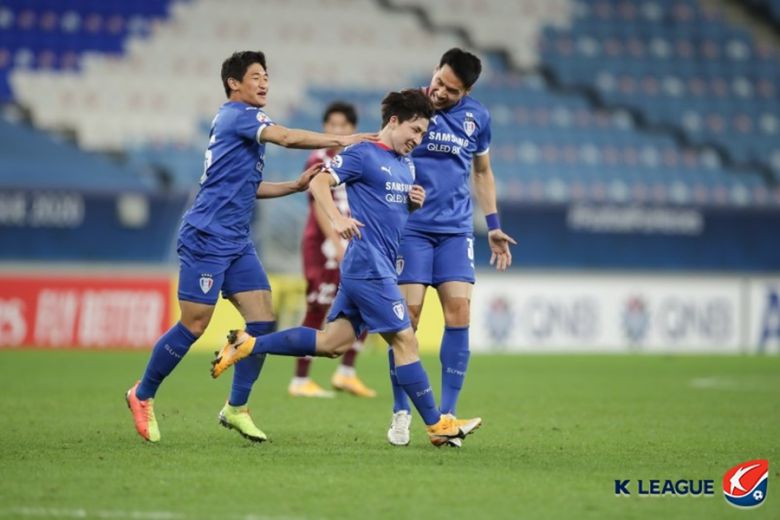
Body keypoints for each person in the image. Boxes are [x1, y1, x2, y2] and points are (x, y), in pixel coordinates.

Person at [124, 50, 376, 443]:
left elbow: (248, 187)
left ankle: (236, 408)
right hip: (207, 234)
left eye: (266, 76)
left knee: (261, 321)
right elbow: (287, 137)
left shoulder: (241, 125)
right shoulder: (238, 115)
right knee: (195, 323)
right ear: (234, 83)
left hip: (237, 239)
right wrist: (343, 139)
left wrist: (294, 186)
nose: (264, 83)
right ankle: (142, 394)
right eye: (256, 76)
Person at [210, 89, 482, 447]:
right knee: (405, 339)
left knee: (331, 342)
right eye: (415, 130)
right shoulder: (363, 154)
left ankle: (248, 345)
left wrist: (412, 205)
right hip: (369, 265)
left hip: (371, 266)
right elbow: (319, 181)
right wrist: (337, 218)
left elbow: (390, 213)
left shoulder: (407, 164)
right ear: (394, 121)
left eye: (422, 134)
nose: (417, 140)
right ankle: (437, 425)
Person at [386, 48, 516, 447]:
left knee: (459, 313)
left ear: (467, 91)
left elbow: (483, 172)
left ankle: (446, 416)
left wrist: (493, 225)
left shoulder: (478, 118)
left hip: (456, 232)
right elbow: (384, 156)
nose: (440, 92)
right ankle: (401, 411)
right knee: (406, 321)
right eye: (438, 82)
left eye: (451, 90)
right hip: (411, 229)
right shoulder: (409, 105)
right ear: (434, 71)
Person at [290, 102, 375, 399]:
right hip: (324, 246)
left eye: (343, 126)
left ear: (352, 129)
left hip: (352, 243)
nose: (337, 130)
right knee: (318, 308)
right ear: (325, 128)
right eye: (332, 125)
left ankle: (346, 372)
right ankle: (300, 379)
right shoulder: (318, 158)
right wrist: (337, 245)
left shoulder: (358, 157)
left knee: (367, 304)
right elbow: (318, 207)